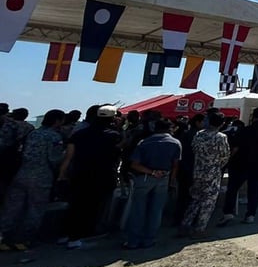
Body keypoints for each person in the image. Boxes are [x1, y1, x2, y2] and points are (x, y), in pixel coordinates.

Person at [59, 105, 122, 249]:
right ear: (112, 119)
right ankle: (78, 237)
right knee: (92, 207)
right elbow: (119, 149)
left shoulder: (78, 134)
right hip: (101, 175)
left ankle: (65, 235)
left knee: (75, 204)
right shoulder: (113, 135)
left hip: (79, 173)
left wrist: (62, 174)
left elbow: (68, 156)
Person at [0, 109, 65, 251]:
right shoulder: (54, 137)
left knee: (12, 208)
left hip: (21, 174)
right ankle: (22, 240)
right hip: (42, 177)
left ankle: (3, 237)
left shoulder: (32, 133)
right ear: (57, 121)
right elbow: (54, 159)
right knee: (34, 209)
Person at [123, 118, 180, 249]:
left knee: (138, 210)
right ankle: (149, 239)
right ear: (169, 129)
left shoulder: (144, 142)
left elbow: (134, 164)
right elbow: (175, 165)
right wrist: (172, 181)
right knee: (156, 211)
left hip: (144, 177)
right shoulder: (175, 143)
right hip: (164, 178)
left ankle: (133, 241)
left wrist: (151, 172)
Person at [217, 107, 258, 225]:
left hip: (241, 162)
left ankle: (228, 212)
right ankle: (250, 215)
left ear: (253, 116)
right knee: (254, 190)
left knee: (233, 188)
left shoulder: (245, 130)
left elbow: (236, 147)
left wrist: (228, 159)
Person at [179, 112, 230, 238]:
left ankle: (185, 225)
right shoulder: (221, 137)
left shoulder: (199, 134)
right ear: (222, 124)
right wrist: (217, 164)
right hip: (212, 172)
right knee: (208, 202)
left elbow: (193, 149)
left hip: (198, 170)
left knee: (195, 199)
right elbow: (225, 155)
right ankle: (200, 228)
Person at [173, 114, 205, 226]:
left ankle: (178, 218)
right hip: (193, 168)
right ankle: (189, 219)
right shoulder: (198, 135)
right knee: (193, 197)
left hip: (183, 168)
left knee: (182, 195)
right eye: (203, 121)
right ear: (197, 122)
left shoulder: (185, 134)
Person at [0, 108, 34, 201]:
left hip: (6, 153)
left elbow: (3, 141)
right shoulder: (29, 127)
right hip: (20, 155)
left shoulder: (10, 124)